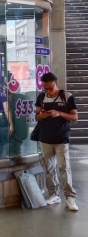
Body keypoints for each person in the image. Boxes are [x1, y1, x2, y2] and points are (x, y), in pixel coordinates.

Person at [35, 72, 79, 211]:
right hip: (45, 137)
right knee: (49, 168)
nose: (47, 91)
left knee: (64, 167)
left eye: (50, 88)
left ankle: (70, 197)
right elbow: (37, 116)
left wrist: (60, 113)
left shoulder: (67, 96)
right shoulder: (41, 97)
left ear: (56, 83)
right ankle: (54, 193)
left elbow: (75, 117)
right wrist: (41, 115)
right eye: (45, 88)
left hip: (61, 137)